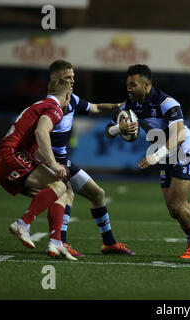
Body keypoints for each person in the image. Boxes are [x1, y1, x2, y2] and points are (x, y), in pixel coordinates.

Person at [106, 64, 190, 259]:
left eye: (133, 85)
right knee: (173, 210)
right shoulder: (129, 105)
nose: (129, 89)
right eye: (127, 85)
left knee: (177, 205)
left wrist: (155, 156)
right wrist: (119, 128)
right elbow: (108, 130)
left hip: (184, 152)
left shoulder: (167, 103)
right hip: (165, 154)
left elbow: (180, 135)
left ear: (147, 85)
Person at [48, 60, 135, 256]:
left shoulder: (71, 99)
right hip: (50, 163)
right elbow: (39, 134)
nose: (72, 81)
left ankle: (109, 243)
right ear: (55, 79)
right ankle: (60, 243)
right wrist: (51, 163)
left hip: (63, 162)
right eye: (67, 78)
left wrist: (119, 105)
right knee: (66, 193)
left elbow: (94, 108)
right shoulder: (50, 105)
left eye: (73, 77)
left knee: (97, 194)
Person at [0, 78, 77, 261]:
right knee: (60, 185)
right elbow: (41, 132)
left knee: (60, 193)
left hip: (5, 161)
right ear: (68, 95)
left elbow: (36, 143)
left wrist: (48, 165)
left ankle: (56, 242)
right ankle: (23, 223)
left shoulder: (40, 104)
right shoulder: (54, 109)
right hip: (12, 156)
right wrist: (54, 164)